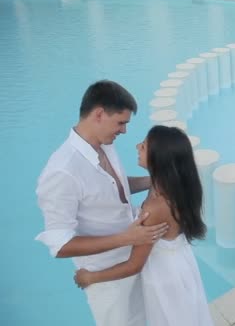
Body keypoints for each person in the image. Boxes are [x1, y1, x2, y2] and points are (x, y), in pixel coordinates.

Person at [36, 80, 169, 326]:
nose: (124, 131)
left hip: (134, 256)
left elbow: (114, 188)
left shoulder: (105, 145)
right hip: (105, 274)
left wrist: (155, 181)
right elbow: (60, 245)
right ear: (99, 114)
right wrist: (127, 238)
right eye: (121, 123)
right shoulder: (62, 171)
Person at [75, 125, 214, 326]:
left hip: (164, 276)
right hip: (181, 265)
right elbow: (126, 185)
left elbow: (134, 265)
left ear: (159, 157)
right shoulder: (175, 187)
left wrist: (90, 277)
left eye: (145, 145)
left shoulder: (155, 207)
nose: (137, 146)